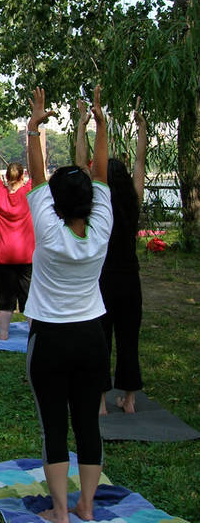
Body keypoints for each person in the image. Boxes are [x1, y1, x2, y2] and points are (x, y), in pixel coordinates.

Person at [24, 86, 112, 523]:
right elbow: (101, 174)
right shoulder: (101, 228)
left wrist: (33, 129)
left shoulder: (47, 228)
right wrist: (99, 123)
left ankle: (60, 512)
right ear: (91, 201)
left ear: (56, 203)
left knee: (54, 428)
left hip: (51, 339)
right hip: (92, 338)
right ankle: (87, 507)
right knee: (88, 424)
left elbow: (38, 176)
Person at [76, 98, 147, 415]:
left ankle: (101, 402)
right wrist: (142, 131)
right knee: (129, 338)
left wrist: (82, 124)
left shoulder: (98, 207)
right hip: (130, 279)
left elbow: (82, 165)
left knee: (100, 338)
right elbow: (141, 166)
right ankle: (130, 400)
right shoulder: (133, 204)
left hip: (102, 280)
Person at [0, 124, 34, 340]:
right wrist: (33, 135)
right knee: (29, 294)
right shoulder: (29, 192)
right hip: (26, 254)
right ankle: (33, 333)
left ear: (6, 178)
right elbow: (37, 167)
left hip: (1, 255)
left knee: (3, 294)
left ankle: (3, 333)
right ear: (22, 177)